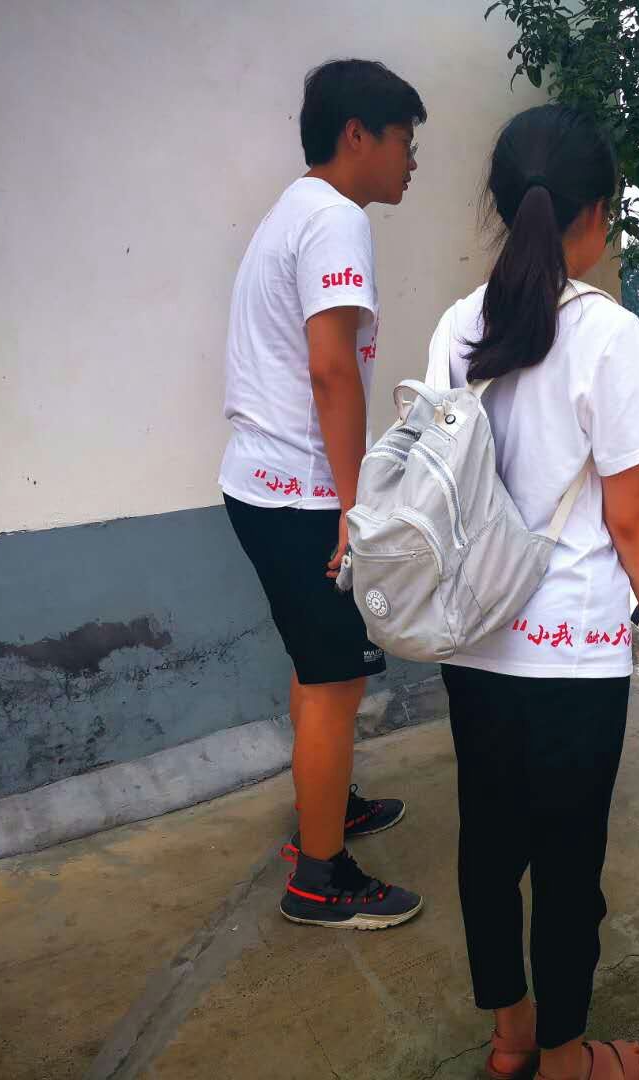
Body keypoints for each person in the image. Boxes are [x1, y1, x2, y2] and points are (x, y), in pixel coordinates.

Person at [431, 104, 639, 1080]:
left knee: (489, 852)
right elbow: (630, 522)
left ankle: (512, 1041)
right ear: (596, 213)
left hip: (475, 639)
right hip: (573, 654)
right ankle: (571, 1058)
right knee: (568, 866)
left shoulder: (460, 325)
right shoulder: (610, 334)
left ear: (506, 207)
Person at [219, 60, 427, 928]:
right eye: (405, 140)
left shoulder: (293, 210)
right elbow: (332, 369)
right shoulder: (336, 219)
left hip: (262, 486)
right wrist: (354, 505)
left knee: (318, 668)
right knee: (337, 679)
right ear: (357, 134)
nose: (411, 160)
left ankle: (327, 808)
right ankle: (320, 877)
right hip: (302, 496)